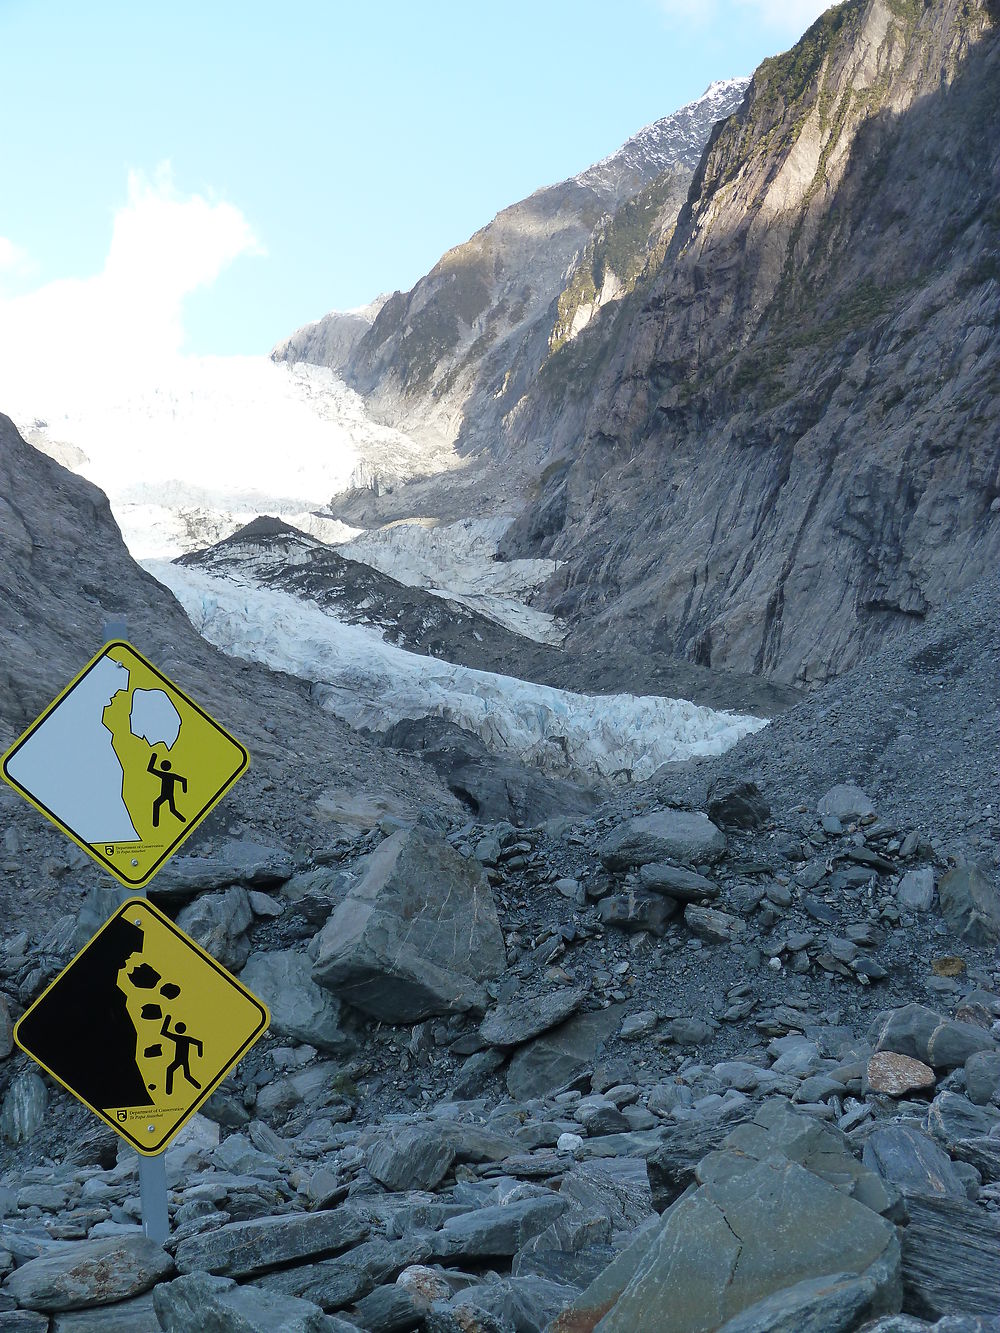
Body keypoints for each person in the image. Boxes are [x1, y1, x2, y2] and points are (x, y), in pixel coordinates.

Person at [147, 753, 187, 827]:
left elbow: (150, 769)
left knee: (158, 805)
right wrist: (184, 790)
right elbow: (183, 780)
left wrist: (154, 757)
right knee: (171, 809)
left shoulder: (165, 775)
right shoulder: (171, 775)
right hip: (168, 795)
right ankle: (183, 820)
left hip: (166, 794)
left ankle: (155, 824)